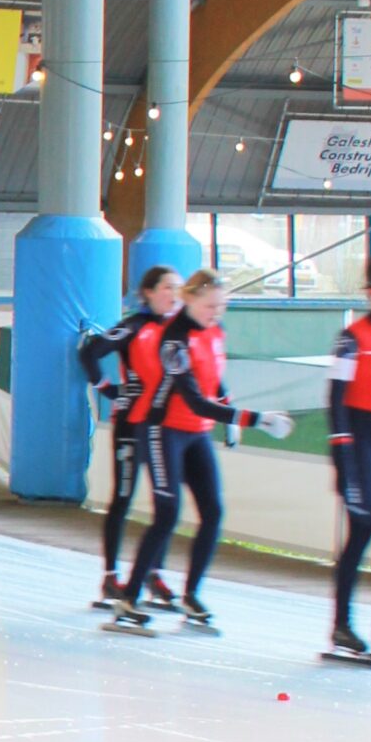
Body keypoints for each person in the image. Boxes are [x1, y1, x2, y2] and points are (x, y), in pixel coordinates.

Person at [111, 268, 291, 635]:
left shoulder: (214, 330)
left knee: (213, 512)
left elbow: (215, 380)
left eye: (222, 307)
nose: (216, 313)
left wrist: (229, 411)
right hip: (163, 430)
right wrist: (254, 419)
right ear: (190, 299)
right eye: (210, 306)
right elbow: (195, 400)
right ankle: (128, 597)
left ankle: (192, 594)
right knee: (167, 514)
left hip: (197, 433)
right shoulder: (173, 340)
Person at [77, 265, 183, 610]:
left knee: (166, 503)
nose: (174, 294)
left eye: (178, 288)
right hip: (131, 425)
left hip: (162, 426)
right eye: (167, 287)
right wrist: (107, 388)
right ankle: (111, 576)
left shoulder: (178, 328)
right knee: (123, 498)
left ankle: (154, 572)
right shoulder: (134, 326)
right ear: (148, 293)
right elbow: (90, 352)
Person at [326, 264, 371, 661]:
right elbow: (335, 400)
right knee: (361, 529)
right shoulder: (352, 338)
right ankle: (341, 624)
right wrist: (344, 460)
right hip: (359, 443)